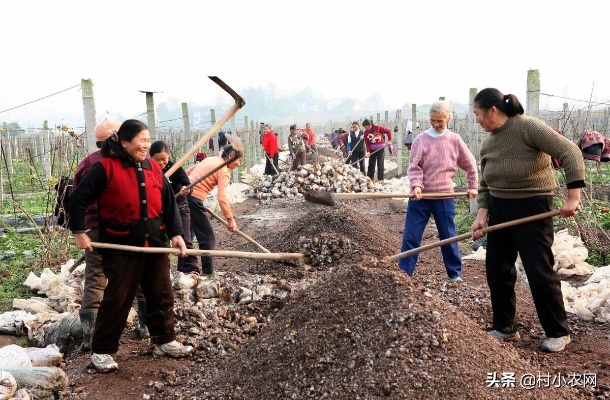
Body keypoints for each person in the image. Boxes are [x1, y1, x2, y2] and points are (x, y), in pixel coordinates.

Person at [69, 119, 194, 372]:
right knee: (118, 297)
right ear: (124, 142)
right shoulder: (105, 167)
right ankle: (102, 350)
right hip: (121, 244)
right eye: (142, 140)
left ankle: (164, 340)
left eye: (148, 140)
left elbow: (168, 203)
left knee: (162, 293)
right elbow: (78, 199)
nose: (146, 145)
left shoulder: (152, 168)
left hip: (155, 243)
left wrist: (177, 234)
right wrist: (80, 232)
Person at [469, 88, 585, 353]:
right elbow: (486, 183)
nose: (476, 120)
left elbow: (570, 153)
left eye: (477, 114)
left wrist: (573, 197)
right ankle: (505, 328)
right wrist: (481, 215)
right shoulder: (489, 142)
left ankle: (559, 331)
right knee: (497, 268)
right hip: (500, 207)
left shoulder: (528, 127)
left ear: (492, 111)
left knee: (538, 269)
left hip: (533, 206)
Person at [399, 102, 478, 282]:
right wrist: (417, 185)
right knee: (411, 236)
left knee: (448, 236)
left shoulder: (454, 140)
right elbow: (414, 167)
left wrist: (472, 185)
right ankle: (404, 275)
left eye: (440, 121)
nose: (436, 124)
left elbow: (470, 164)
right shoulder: (421, 140)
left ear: (448, 119)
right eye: (432, 120)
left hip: (444, 196)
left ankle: (454, 274)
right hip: (421, 196)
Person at [186, 145, 242, 276]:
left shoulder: (210, 160)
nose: (239, 164)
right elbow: (222, 198)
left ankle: (186, 269)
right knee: (207, 236)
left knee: (188, 235)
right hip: (194, 199)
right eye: (239, 160)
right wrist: (230, 219)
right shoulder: (223, 170)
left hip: (185, 196)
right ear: (230, 156)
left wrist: (187, 186)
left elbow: (188, 171)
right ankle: (209, 272)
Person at [150, 140, 201, 274]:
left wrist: (186, 189)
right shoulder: (147, 169)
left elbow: (187, 183)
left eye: (164, 159)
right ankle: (162, 273)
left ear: (168, 157)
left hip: (179, 207)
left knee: (185, 239)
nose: (161, 163)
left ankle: (190, 271)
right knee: (161, 242)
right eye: (157, 160)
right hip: (158, 211)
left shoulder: (175, 167)